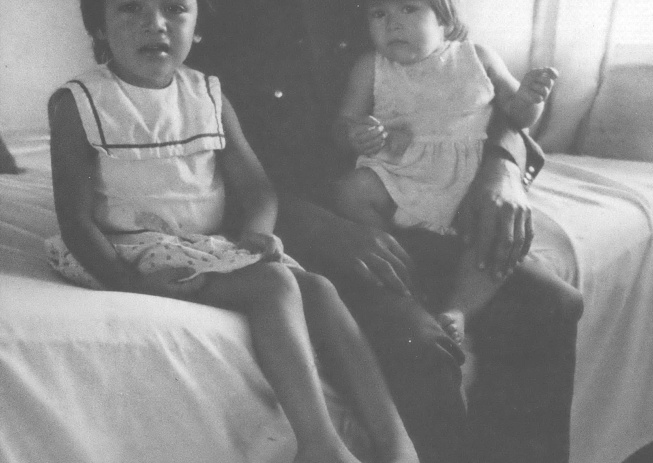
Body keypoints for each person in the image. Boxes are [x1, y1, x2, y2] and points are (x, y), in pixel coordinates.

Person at [188, 0, 584, 461]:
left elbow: (472, 88)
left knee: (549, 303)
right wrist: (322, 229)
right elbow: (202, 170)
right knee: (420, 349)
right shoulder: (205, 24)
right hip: (318, 232)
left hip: (435, 204)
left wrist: (503, 168)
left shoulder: (385, 8)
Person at [44, 1, 419, 462]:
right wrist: (129, 283)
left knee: (319, 290)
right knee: (274, 284)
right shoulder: (80, 101)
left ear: (197, 24)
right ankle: (320, 444)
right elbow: (76, 222)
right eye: (131, 8)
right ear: (98, 24)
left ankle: (397, 445)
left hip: (203, 243)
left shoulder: (207, 93)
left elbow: (257, 188)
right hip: (127, 249)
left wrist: (258, 235)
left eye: (175, 8)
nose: (155, 23)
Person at [331, 0, 558, 344]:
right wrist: (355, 133)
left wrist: (530, 98)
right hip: (400, 174)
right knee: (352, 190)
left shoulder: (476, 58)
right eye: (379, 14)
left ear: (445, 21)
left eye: (408, 9)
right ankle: (402, 276)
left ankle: (460, 309)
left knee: (495, 232)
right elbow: (344, 122)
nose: (392, 23)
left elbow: (516, 115)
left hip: (465, 182)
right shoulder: (370, 67)